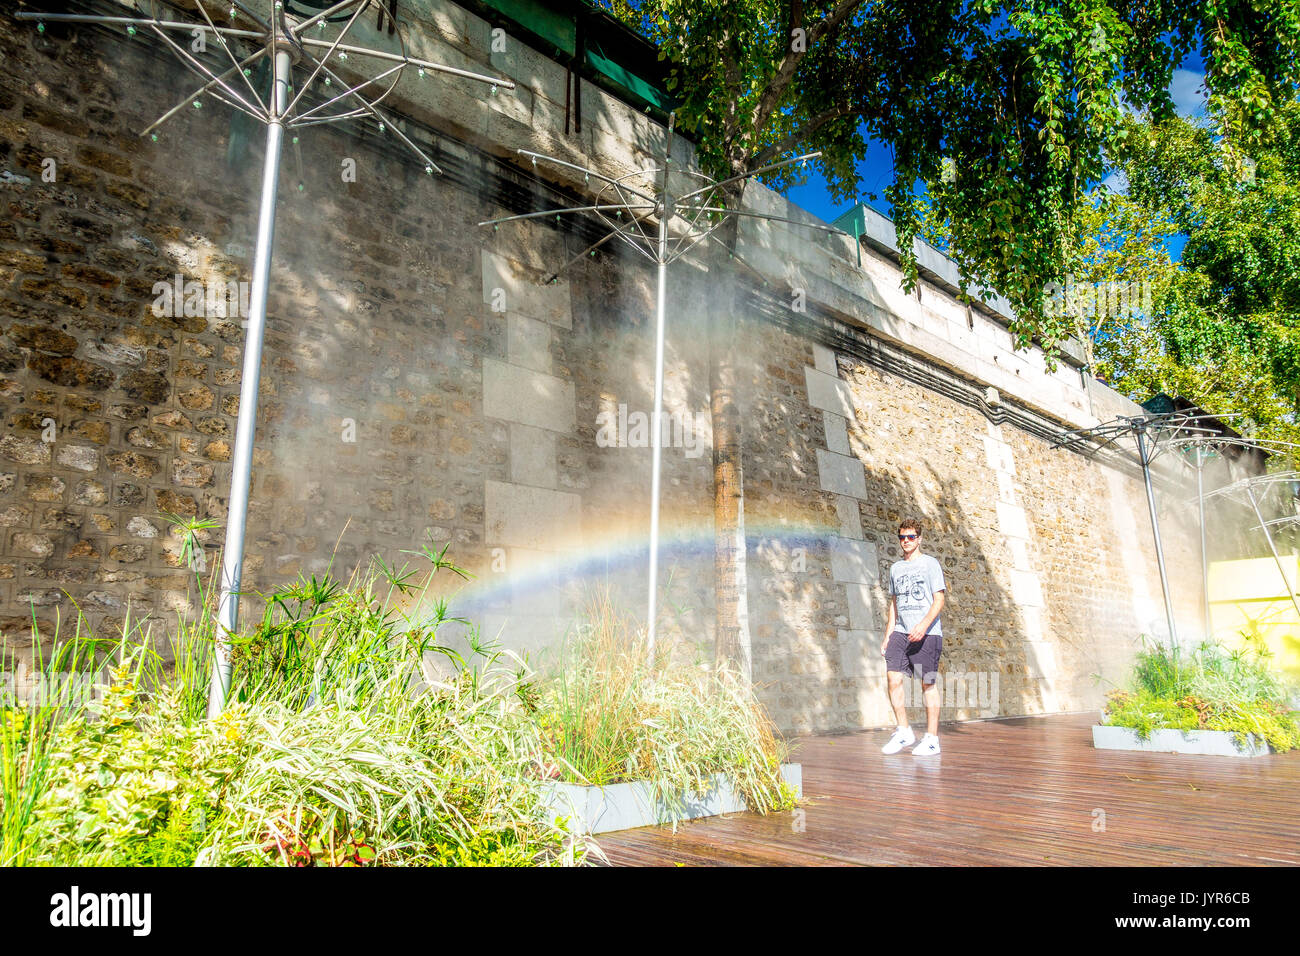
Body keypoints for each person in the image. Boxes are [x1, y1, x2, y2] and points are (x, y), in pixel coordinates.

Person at [879, 517, 946, 756]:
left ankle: (931, 739)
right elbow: (894, 604)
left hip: (927, 633)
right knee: (893, 677)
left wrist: (924, 625)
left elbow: (939, 599)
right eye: (902, 537)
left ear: (919, 539)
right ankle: (904, 730)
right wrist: (888, 635)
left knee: (927, 683)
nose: (906, 541)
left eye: (911, 537)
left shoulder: (930, 564)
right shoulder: (895, 568)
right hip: (900, 631)